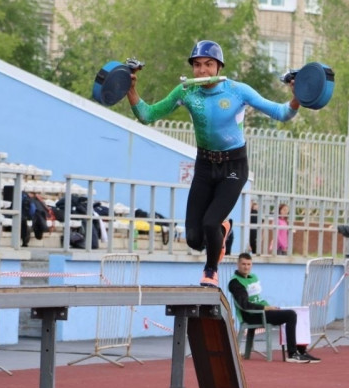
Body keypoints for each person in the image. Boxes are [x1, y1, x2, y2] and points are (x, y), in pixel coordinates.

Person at [127, 40, 301, 286]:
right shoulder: (186, 91)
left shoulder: (237, 91)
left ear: (219, 67)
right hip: (205, 166)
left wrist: (297, 97)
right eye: (197, 65)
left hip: (233, 167)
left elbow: (281, 113)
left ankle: (210, 271)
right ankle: (223, 229)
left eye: (209, 64)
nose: (202, 70)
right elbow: (147, 115)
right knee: (194, 239)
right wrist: (130, 89)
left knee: (210, 222)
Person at [227, 253, 320, 363]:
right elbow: (245, 305)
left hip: (264, 311)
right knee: (291, 315)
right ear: (237, 264)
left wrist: (270, 308)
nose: (246, 267)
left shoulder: (253, 277)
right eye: (243, 264)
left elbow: (257, 299)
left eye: (248, 264)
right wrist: (265, 308)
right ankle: (292, 354)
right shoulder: (235, 282)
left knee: (298, 312)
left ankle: (301, 351)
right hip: (252, 315)